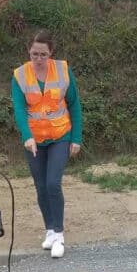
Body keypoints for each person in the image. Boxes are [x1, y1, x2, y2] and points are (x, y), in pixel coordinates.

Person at [12, 30, 83, 259]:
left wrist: (76, 138)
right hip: (34, 140)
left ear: (51, 52)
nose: (39, 59)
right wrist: (27, 136)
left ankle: (60, 234)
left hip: (60, 135)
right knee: (40, 186)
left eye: (43, 54)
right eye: (34, 54)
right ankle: (50, 230)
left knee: (53, 183)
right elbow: (20, 110)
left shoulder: (63, 70)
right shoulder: (20, 75)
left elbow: (74, 105)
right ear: (28, 52)